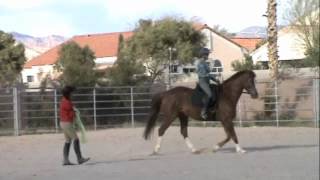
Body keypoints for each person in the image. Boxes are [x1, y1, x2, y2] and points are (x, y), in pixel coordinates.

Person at [60, 85, 90, 165]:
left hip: (63, 123)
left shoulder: (64, 100)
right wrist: (75, 112)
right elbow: (71, 114)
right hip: (67, 123)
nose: (72, 95)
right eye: (71, 93)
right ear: (68, 94)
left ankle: (65, 160)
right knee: (76, 139)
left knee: (68, 141)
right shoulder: (68, 103)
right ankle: (79, 158)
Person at [196, 47, 219, 119]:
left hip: (207, 81)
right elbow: (204, 74)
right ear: (203, 55)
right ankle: (203, 111)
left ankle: (212, 109)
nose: (208, 56)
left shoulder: (205, 63)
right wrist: (214, 78)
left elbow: (209, 73)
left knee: (216, 91)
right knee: (209, 94)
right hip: (202, 81)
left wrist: (216, 80)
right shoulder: (200, 63)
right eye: (207, 54)